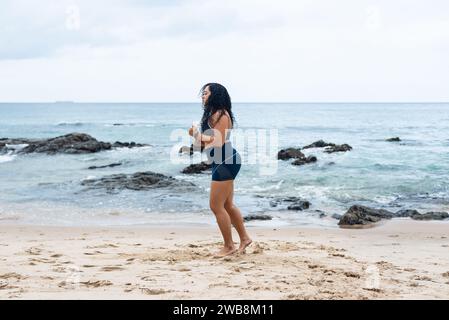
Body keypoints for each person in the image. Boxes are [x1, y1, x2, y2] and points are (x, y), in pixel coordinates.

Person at [188, 83, 252, 257]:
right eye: (202, 93)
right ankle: (244, 238)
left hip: (226, 160)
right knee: (227, 205)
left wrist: (197, 135)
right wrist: (196, 138)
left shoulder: (221, 114)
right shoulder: (212, 115)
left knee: (216, 206)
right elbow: (206, 143)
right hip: (220, 160)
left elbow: (218, 142)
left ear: (215, 95)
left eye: (205, 93)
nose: (202, 96)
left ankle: (229, 246)